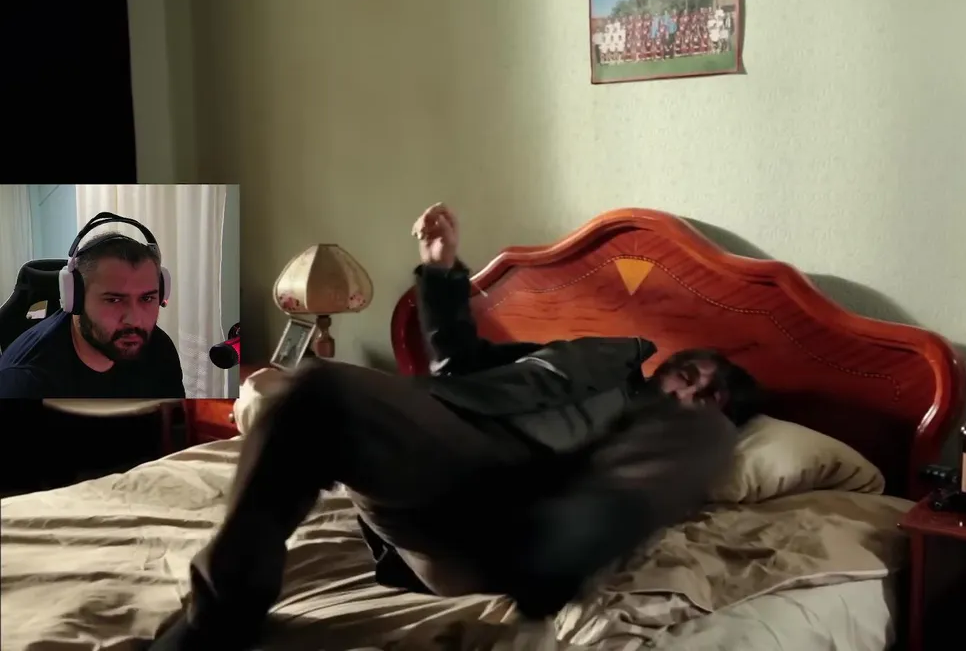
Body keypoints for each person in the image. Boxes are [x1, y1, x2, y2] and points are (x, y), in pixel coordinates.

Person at [150, 203, 762, 651]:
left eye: (712, 397)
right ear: (669, 366)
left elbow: (682, 454)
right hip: (450, 468)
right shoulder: (598, 359)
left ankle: (546, 554)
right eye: (692, 376)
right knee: (311, 389)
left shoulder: (688, 445)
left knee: (706, 433)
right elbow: (464, 367)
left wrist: (702, 424)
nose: (694, 393)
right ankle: (219, 617)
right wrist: (441, 272)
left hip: (535, 517)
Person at [0, 233, 185, 399]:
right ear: (75, 299)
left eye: (147, 298)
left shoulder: (159, 349)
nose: (135, 320)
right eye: (114, 300)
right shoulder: (24, 382)